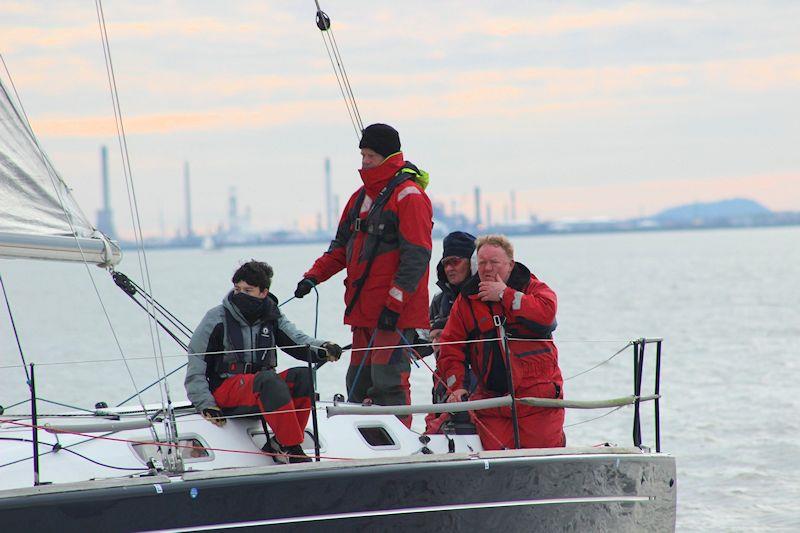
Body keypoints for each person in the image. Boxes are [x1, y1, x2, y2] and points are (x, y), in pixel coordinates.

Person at [294, 123, 433, 428]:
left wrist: (394, 304)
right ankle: (364, 442)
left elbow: (417, 256)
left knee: (388, 382)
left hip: (393, 314)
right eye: (363, 154)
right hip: (363, 313)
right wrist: (313, 277)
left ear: (388, 156)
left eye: (370, 155)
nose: (365, 161)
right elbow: (341, 247)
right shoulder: (359, 198)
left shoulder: (409, 196)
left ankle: (399, 445)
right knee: (356, 383)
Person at [185, 260, 342, 464]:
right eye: (237, 289)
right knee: (268, 380)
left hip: (262, 387)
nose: (240, 294)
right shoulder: (216, 318)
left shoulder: (272, 316)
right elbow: (196, 362)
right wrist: (205, 403)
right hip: (227, 387)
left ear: (263, 292)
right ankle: (292, 448)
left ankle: (280, 442)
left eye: (247, 290)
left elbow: (298, 341)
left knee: (304, 376)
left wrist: (323, 348)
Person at [436, 235, 565, 450]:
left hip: (538, 399)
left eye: (494, 262)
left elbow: (547, 312)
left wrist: (505, 294)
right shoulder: (467, 300)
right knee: (497, 459)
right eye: (482, 262)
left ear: (510, 264)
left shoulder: (531, 286)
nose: (487, 268)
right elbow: (451, 346)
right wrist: (456, 387)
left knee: (543, 457)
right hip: (492, 402)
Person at [425, 231, 476, 433]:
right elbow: (424, 342)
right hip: (443, 376)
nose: (449, 268)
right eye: (445, 263)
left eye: (455, 262)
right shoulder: (439, 300)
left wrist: (444, 326)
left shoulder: (484, 294)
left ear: (471, 262)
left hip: (476, 377)